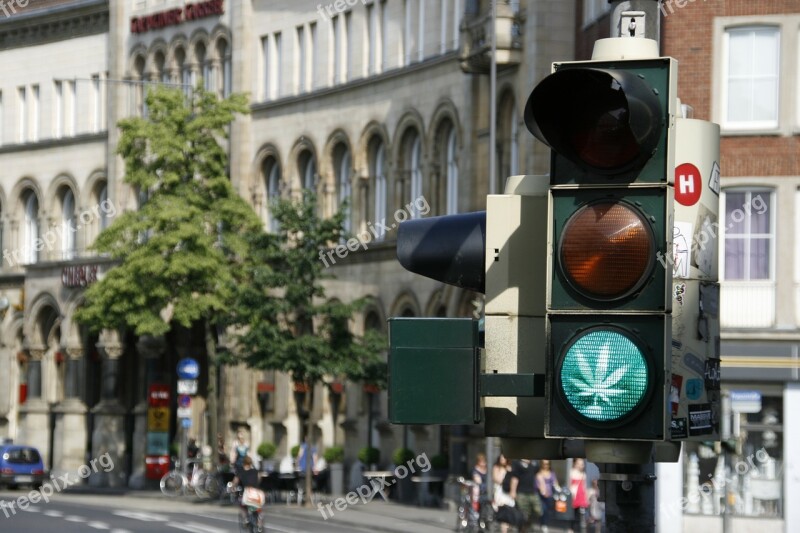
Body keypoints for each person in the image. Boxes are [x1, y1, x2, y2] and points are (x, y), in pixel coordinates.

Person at [509, 459, 542, 533]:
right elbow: (515, 478)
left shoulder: (535, 462)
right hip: (522, 493)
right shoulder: (517, 463)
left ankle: (528, 526)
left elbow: (538, 475)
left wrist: (542, 486)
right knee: (523, 514)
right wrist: (513, 491)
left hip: (533, 492)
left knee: (538, 511)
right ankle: (522, 530)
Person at [231, 456, 263, 532]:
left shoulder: (240, 471)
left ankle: (245, 519)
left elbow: (235, 482)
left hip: (247, 493)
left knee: (241, 505)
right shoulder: (255, 471)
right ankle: (259, 522)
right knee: (258, 507)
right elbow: (259, 479)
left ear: (243, 463)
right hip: (256, 493)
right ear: (251, 463)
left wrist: (232, 488)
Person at [535, 459, 561, 532]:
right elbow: (538, 484)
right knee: (543, 509)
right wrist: (543, 492)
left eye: (547, 464)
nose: (545, 465)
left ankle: (544, 523)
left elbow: (555, 483)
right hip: (541, 495)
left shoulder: (551, 473)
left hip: (549, 494)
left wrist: (558, 489)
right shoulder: (539, 473)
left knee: (547, 510)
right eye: (544, 464)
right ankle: (542, 523)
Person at [568, 458, 590, 533]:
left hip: (581, 496)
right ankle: (571, 528)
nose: (581, 466)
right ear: (575, 464)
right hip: (574, 496)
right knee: (572, 514)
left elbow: (585, 486)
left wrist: (586, 497)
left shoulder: (584, 474)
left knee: (581, 515)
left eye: (582, 464)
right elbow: (569, 485)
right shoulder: (571, 472)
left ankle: (579, 529)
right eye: (579, 464)